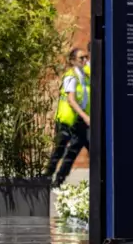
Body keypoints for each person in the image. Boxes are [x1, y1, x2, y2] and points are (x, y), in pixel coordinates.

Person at [44, 47, 90, 187]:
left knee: (75, 151)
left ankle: (58, 181)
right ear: (72, 61)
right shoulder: (71, 76)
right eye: (81, 58)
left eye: (85, 57)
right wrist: (86, 117)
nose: (84, 60)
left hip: (80, 121)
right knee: (59, 150)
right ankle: (45, 180)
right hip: (68, 120)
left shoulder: (85, 76)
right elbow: (71, 100)